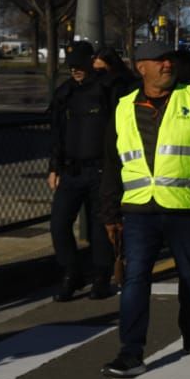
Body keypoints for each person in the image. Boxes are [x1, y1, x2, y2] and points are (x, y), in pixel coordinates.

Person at [98, 40, 190, 379]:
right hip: (139, 209)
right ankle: (131, 352)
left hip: (186, 207)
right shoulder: (123, 108)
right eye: (160, 60)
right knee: (136, 278)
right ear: (142, 67)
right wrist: (109, 213)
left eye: (170, 60)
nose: (167, 65)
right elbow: (111, 165)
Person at [47, 42, 115, 301]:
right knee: (59, 224)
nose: (75, 70)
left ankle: (101, 276)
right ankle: (71, 273)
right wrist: (54, 166)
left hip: (101, 169)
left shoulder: (106, 88)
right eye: (71, 65)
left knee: (100, 226)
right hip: (71, 170)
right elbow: (57, 133)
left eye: (80, 64)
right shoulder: (65, 93)